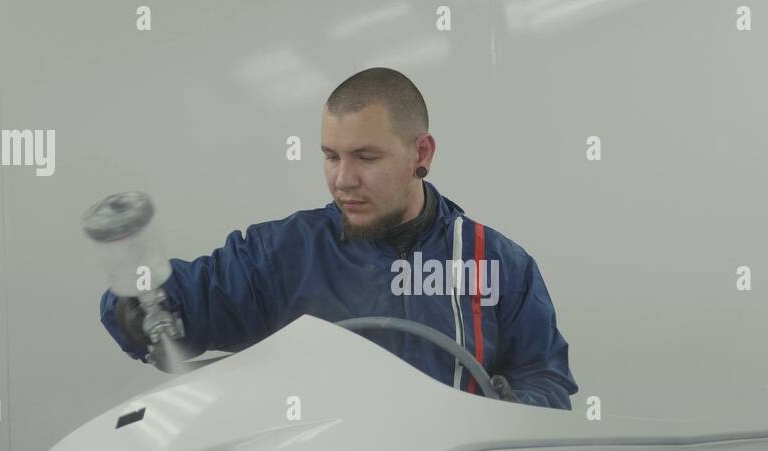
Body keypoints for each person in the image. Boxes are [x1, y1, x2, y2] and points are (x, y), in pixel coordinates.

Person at [100, 67, 577, 409]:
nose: (343, 179)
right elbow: (186, 300)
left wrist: (508, 411)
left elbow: (546, 379)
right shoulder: (285, 255)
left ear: (421, 153)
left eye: (366, 157)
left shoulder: (494, 262)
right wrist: (139, 302)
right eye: (331, 156)